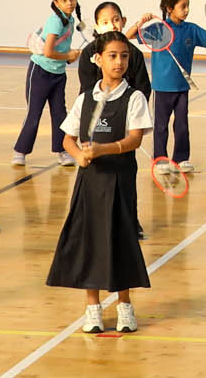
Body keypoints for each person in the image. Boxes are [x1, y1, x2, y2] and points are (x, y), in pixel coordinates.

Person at [48, 33, 152, 334]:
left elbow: (134, 139)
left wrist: (102, 149)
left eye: (124, 56)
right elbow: (67, 138)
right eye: (112, 56)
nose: (119, 62)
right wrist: (79, 155)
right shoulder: (85, 99)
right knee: (89, 241)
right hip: (90, 183)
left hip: (120, 181)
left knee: (121, 240)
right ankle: (92, 307)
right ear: (98, 59)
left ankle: (124, 306)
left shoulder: (134, 98)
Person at [132, 0, 206, 181]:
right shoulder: (159, 29)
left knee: (182, 125)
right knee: (161, 126)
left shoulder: (191, 29)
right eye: (183, 6)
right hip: (162, 88)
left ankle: (181, 158)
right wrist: (141, 22)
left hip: (182, 87)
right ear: (169, 8)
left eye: (188, 5)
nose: (187, 10)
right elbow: (131, 35)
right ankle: (160, 160)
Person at [15, 0, 80, 167]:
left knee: (60, 114)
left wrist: (67, 58)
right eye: (64, 0)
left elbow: (61, 48)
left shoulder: (71, 20)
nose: (69, 3)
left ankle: (62, 151)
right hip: (40, 72)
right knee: (34, 114)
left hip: (58, 74)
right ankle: (20, 151)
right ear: (56, 3)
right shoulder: (55, 21)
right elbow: (48, 52)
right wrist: (68, 56)